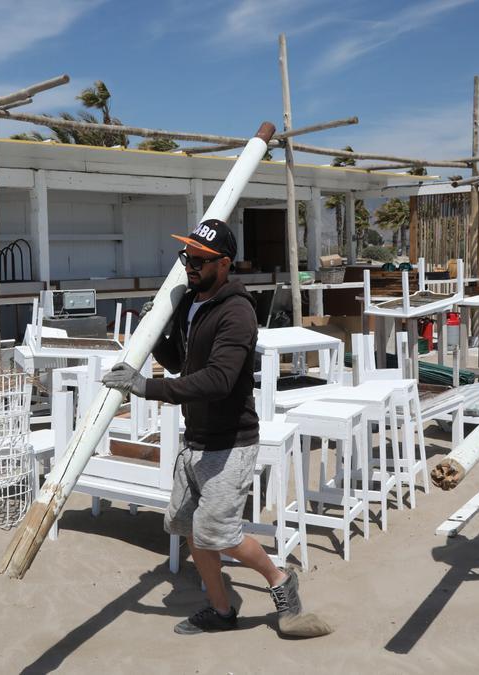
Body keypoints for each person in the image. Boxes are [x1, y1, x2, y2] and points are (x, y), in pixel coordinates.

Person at [102, 219, 330, 637]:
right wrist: (154, 334)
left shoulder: (237, 312)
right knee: (191, 528)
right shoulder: (192, 302)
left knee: (217, 533)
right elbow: (184, 364)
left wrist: (146, 387)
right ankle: (222, 611)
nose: (189, 264)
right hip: (196, 440)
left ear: (223, 264)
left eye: (200, 259)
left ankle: (281, 582)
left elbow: (218, 380)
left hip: (230, 443)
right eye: (187, 255)